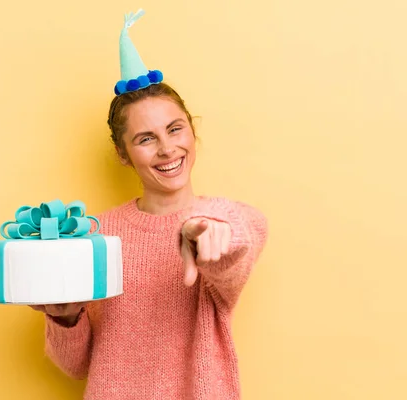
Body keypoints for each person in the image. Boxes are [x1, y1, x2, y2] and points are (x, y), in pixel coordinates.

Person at [29, 9, 268, 399]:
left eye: (175, 129)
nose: (167, 148)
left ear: (192, 128)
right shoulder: (95, 237)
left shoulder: (233, 220)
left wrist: (204, 230)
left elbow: (238, 240)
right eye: (145, 138)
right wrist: (65, 316)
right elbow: (74, 367)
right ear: (123, 154)